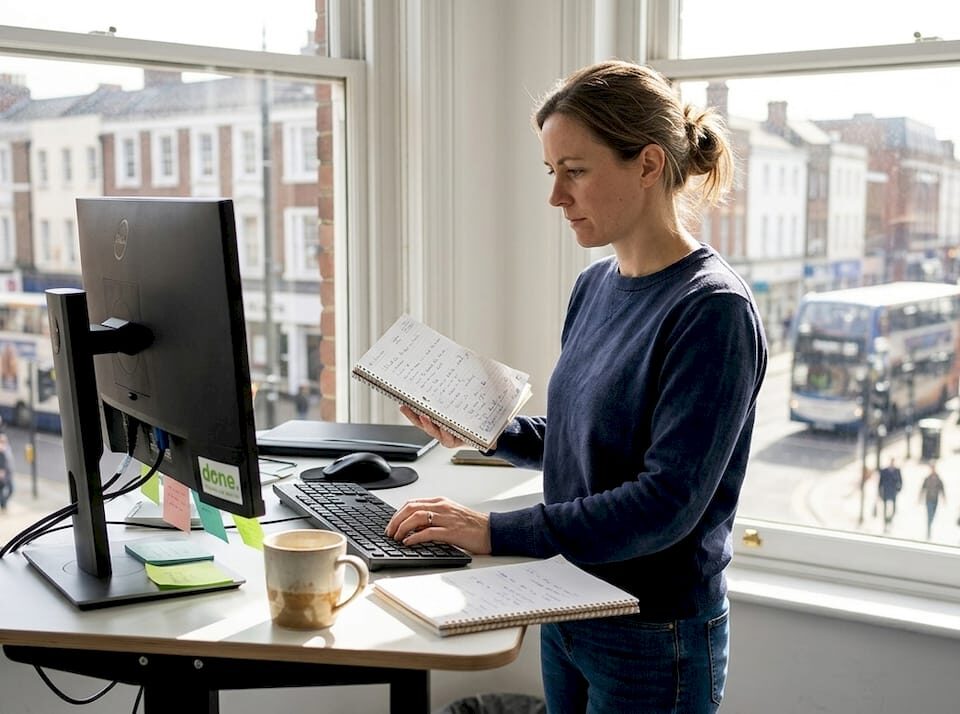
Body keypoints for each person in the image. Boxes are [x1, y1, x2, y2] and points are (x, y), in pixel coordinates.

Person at [385, 60, 767, 713]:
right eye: (551, 172)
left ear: (648, 165)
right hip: (567, 606)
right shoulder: (594, 286)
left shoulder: (713, 311)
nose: (556, 197)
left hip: (654, 637)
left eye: (576, 171)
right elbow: (583, 441)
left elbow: (664, 503)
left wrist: (497, 530)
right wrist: (493, 427)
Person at [919, 461, 946, 540]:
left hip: (935, 500)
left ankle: (929, 526)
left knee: (933, 515)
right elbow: (922, 488)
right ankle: (928, 532)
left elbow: (942, 489)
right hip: (928, 499)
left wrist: (944, 498)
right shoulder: (927, 478)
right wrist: (920, 498)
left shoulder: (938, 478)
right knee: (929, 515)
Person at [877, 456, 903, 531]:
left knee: (894, 508)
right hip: (886, 491)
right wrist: (879, 492)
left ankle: (890, 520)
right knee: (885, 507)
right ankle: (885, 522)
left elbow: (900, 481)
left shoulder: (897, 471)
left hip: (893, 492)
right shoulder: (884, 471)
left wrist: (899, 489)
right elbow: (880, 482)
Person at [0, 432, 13, 512]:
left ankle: (3, 504)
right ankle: (3, 504)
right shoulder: (1, 451)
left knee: (11, 489)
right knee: (3, 491)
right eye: (2, 441)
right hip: (2, 476)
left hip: (9, 474)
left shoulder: (7, 449)